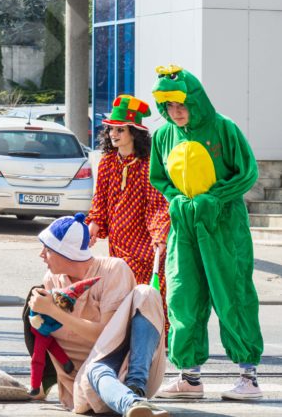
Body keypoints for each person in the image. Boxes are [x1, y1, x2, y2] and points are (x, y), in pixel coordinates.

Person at [149, 65, 263, 401]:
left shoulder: (223, 128)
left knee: (233, 295)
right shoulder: (162, 135)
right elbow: (160, 178)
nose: (176, 112)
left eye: (181, 104)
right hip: (185, 227)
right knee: (183, 296)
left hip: (223, 227)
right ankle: (189, 378)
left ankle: (248, 376)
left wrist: (215, 198)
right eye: (169, 106)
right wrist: (176, 201)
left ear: (195, 100)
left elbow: (248, 172)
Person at [26, 214, 169, 416]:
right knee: (97, 369)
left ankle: (135, 388)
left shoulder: (113, 269)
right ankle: (133, 403)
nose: (41, 255)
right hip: (86, 382)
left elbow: (107, 337)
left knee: (146, 293)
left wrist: (53, 310)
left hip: (127, 368)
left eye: (47, 249)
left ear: (66, 253)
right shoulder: (51, 280)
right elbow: (44, 340)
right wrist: (38, 383)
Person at [86, 95, 170, 313]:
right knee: (121, 294)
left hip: (144, 243)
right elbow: (100, 199)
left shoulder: (149, 164)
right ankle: (124, 338)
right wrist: (94, 221)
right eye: (111, 129)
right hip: (118, 243)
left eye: (120, 129)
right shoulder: (106, 162)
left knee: (151, 294)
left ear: (134, 132)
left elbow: (158, 205)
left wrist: (160, 236)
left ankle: (158, 338)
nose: (113, 134)